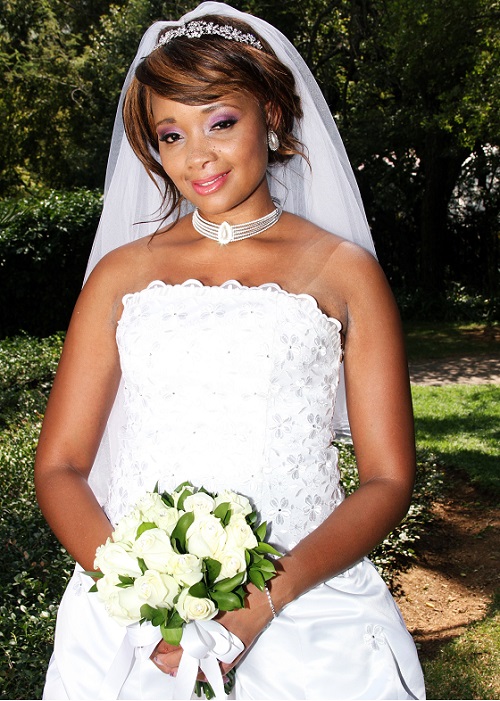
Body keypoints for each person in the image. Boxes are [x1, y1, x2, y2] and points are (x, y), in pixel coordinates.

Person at [35, 2, 426, 699]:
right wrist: (144, 593)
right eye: (171, 134)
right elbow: (60, 465)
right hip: (134, 626)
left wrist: (262, 601)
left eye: (219, 122)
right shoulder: (120, 276)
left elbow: (388, 478)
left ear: (270, 115)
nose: (198, 156)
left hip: (308, 614)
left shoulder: (345, 273)